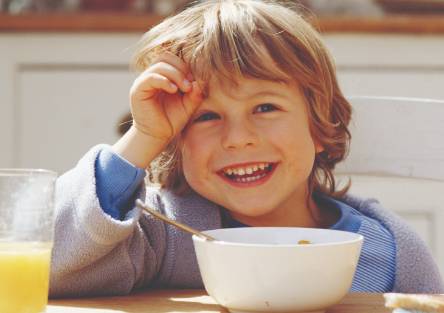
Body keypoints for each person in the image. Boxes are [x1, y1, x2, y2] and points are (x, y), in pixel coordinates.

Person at [50, 0, 443, 298]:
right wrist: (144, 137)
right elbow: (50, 264)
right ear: (176, 142)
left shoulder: (391, 251)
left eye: (265, 107)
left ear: (323, 125)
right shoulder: (161, 234)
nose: (238, 138)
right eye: (206, 117)